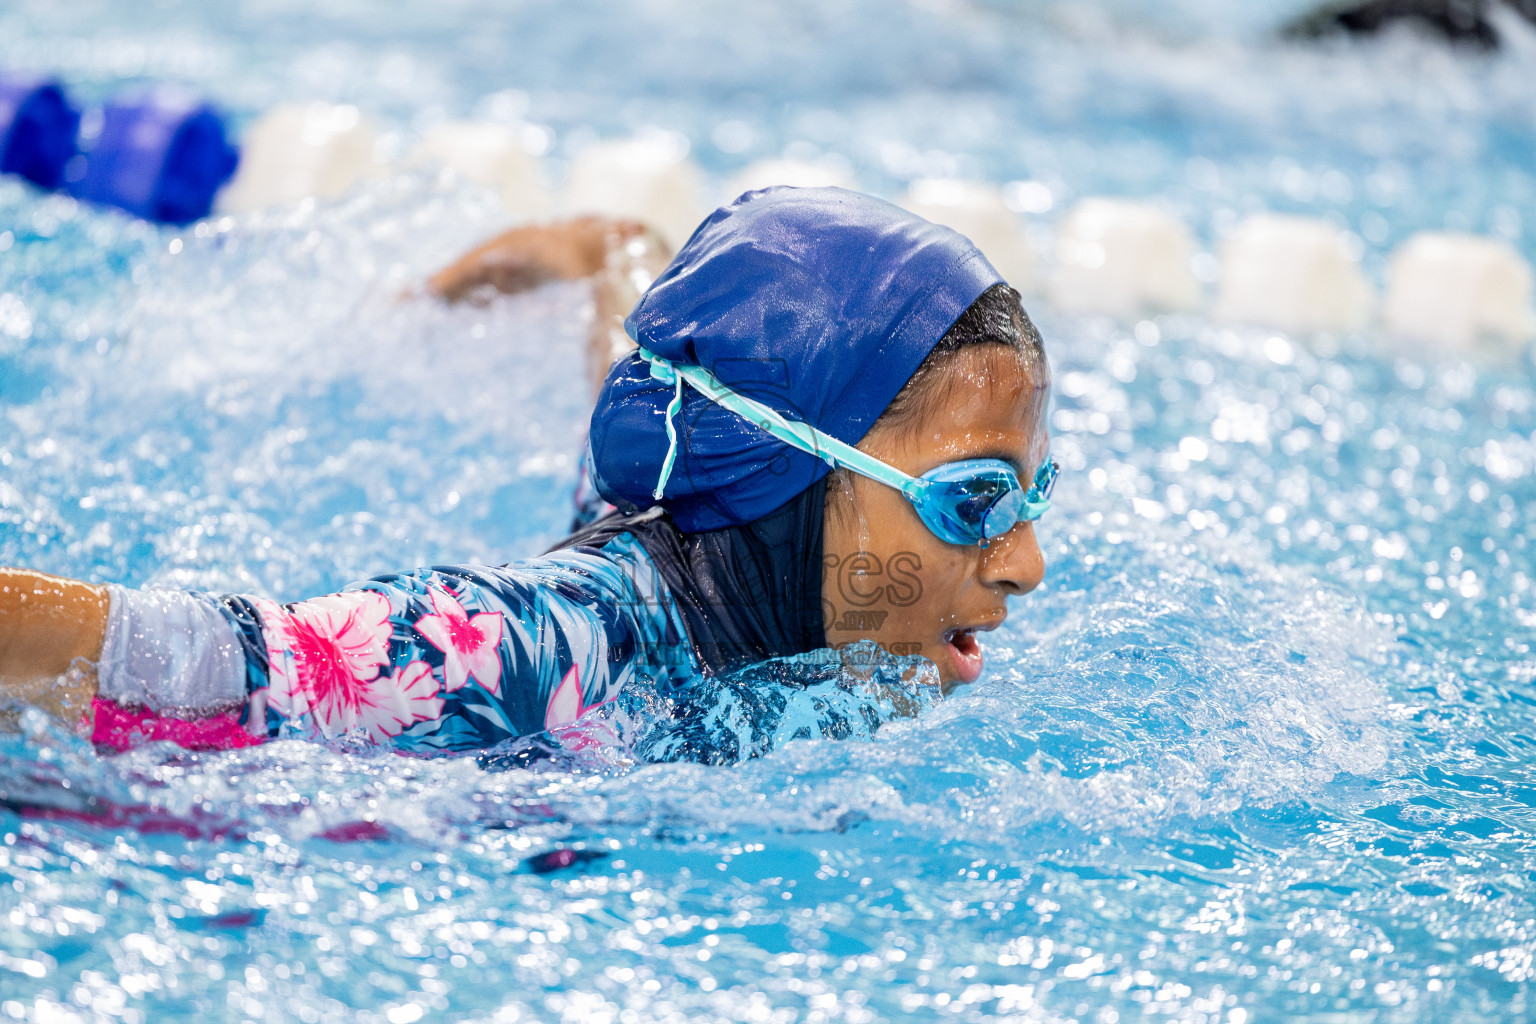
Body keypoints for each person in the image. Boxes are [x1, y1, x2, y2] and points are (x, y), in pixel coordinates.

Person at [0, 186, 1054, 755]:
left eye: (1030, 497)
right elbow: (155, 652)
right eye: (975, 502)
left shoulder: (746, 542)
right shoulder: (530, 652)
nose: (1026, 564)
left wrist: (557, 259)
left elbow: (625, 262)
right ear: (780, 468)